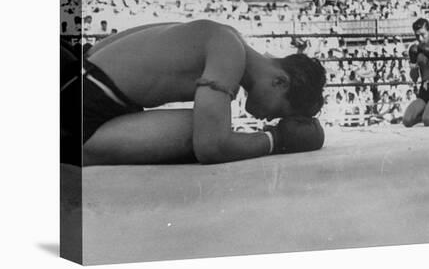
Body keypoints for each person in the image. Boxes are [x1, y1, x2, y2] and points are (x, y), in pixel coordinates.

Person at [61, 20, 326, 166]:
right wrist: (277, 139)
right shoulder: (228, 49)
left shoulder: (226, 35)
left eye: (275, 120)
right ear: (280, 82)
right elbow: (211, 147)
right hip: (78, 109)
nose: (267, 118)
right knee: (202, 130)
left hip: (78, 87)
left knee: (206, 124)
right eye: (279, 112)